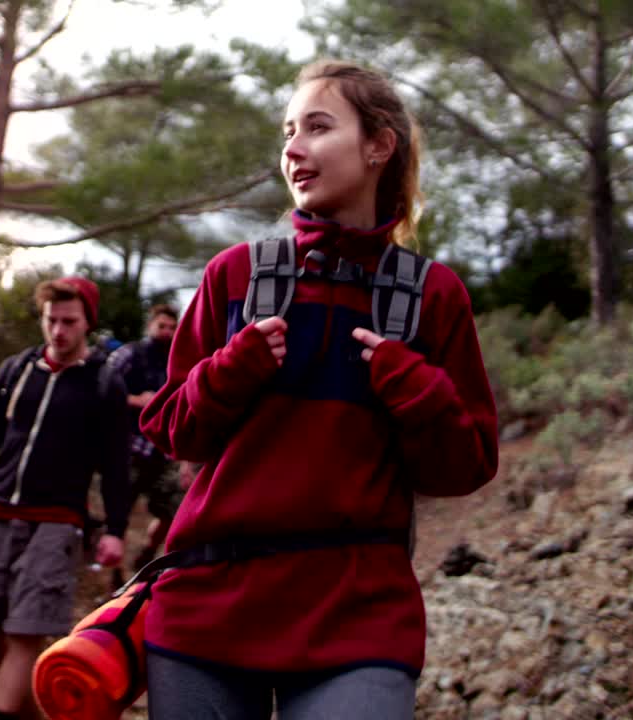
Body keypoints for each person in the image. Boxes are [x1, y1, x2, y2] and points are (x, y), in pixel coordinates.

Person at [137, 60, 499, 719]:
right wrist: (229, 371)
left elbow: (467, 464)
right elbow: (170, 430)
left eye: (318, 127)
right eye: (287, 133)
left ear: (378, 146)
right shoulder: (234, 275)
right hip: (208, 609)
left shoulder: (433, 296)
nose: (293, 150)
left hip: (359, 618)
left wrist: (416, 389)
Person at [0, 276, 130, 720]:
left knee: (25, 631)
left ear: (87, 323)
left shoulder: (104, 383)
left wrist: (116, 529)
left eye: (69, 322)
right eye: (51, 320)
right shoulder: (16, 370)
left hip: (57, 520)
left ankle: (3, 711)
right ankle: (27, 709)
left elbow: (116, 465)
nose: (58, 331)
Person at [106, 304, 190, 570]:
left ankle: (146, 557)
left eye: (172, 327)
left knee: (175, 510)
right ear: (150, 325)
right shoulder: (131, 353)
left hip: (164, 452)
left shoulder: (178, 360)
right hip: (130, 448)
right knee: (118, 513)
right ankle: (114, 573)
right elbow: (102, 387)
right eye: (161, 326)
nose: (166, 332)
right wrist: (134, 400)